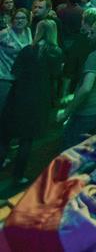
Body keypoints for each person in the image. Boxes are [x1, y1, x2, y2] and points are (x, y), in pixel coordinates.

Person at [0, 20, 62, 183]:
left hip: (18, 95)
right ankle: (18, 176)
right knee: (26, 139)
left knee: (5, 136)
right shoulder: (56, 52)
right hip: (39, 99)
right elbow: (56, 75)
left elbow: (15, 71)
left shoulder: (28, 50)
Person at [60, 18, 96, 146]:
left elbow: (87, 88)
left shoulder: (95, 57)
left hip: (87, 112)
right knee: (89, 150)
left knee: (70, 150)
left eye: (92, 33)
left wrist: (66, 112)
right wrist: (73, 96)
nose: (88, 36)